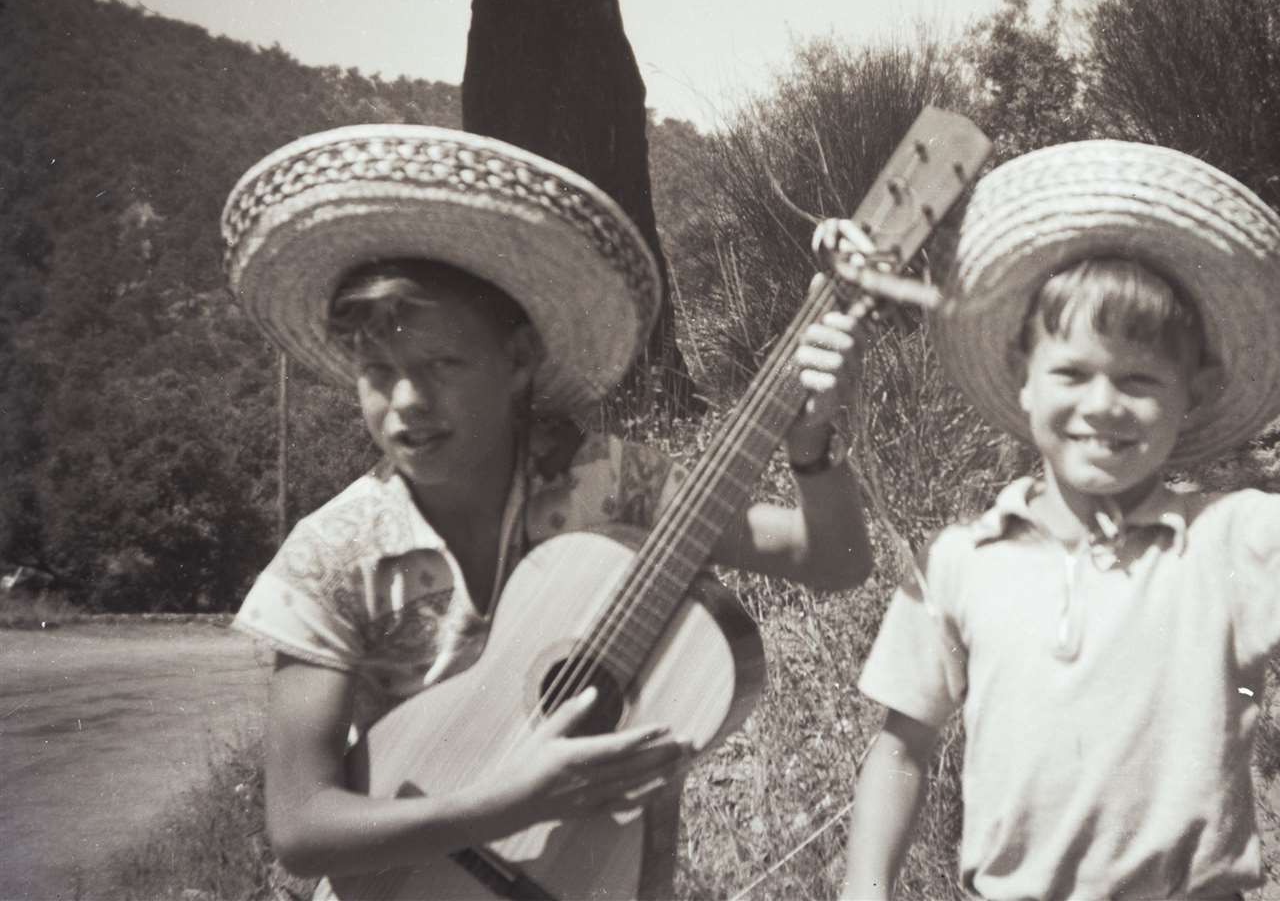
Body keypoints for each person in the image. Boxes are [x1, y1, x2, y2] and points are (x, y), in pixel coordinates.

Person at [221, 125, 872, 892]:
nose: (406, 402)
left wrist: (813, 444)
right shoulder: (333, 553)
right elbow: (300, 827)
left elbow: (834, 562)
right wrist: (504, 805)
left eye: (443, 364)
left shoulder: (610, 484)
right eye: (377, 370)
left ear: (520, 359)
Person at [840, 140, 1280, 901]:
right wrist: (863, 891)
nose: (1102, 405)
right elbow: (901, 748)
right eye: (1070, 373)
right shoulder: (961, 562)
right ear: (1021, 382)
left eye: (1139, 379)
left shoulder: (1227, 539)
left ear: (1193, 390)